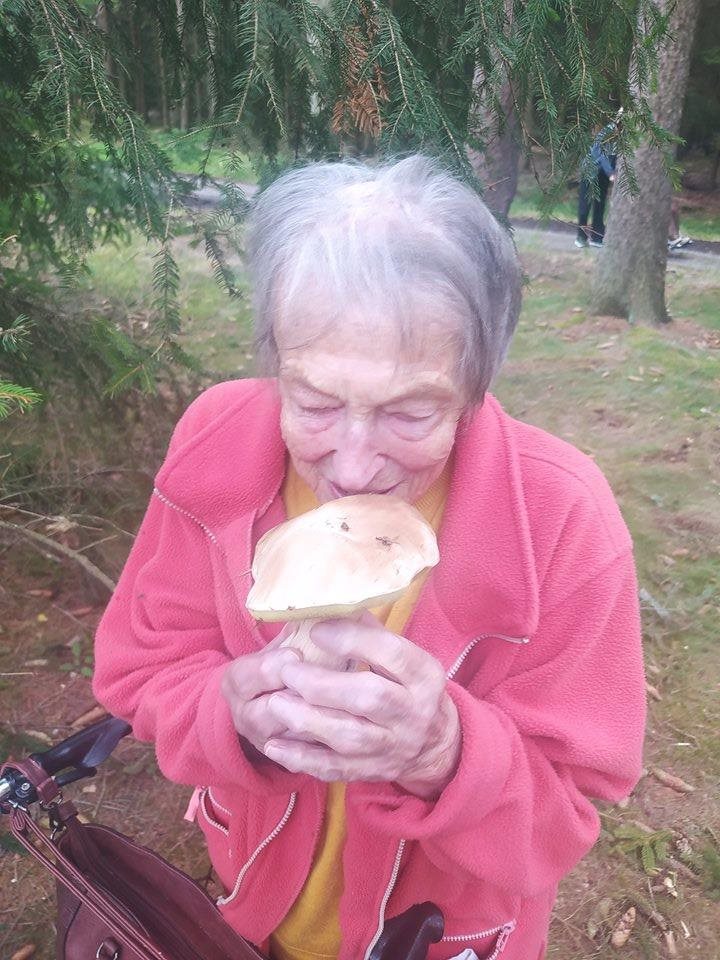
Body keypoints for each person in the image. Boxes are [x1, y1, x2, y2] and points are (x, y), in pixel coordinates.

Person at [93, 155, 646, 960]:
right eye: (314, 404)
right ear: (274, 361)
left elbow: (566, 817)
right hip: (252, 909)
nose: (352, 467)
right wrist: (230, 713)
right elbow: (141, 667)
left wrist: (444, 753)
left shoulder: (563, 518)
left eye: (410, 415)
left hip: (437, 938)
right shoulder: (218, 444)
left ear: (475, 386)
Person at [576, 121, 619, 248]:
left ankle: (597, 237)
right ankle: (581, 237)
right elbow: (601, 155)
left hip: (603, 176)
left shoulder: (626, 137)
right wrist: (611, 172)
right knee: (584, 207)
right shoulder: (607, 132)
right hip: (590, 172)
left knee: (599, 207)